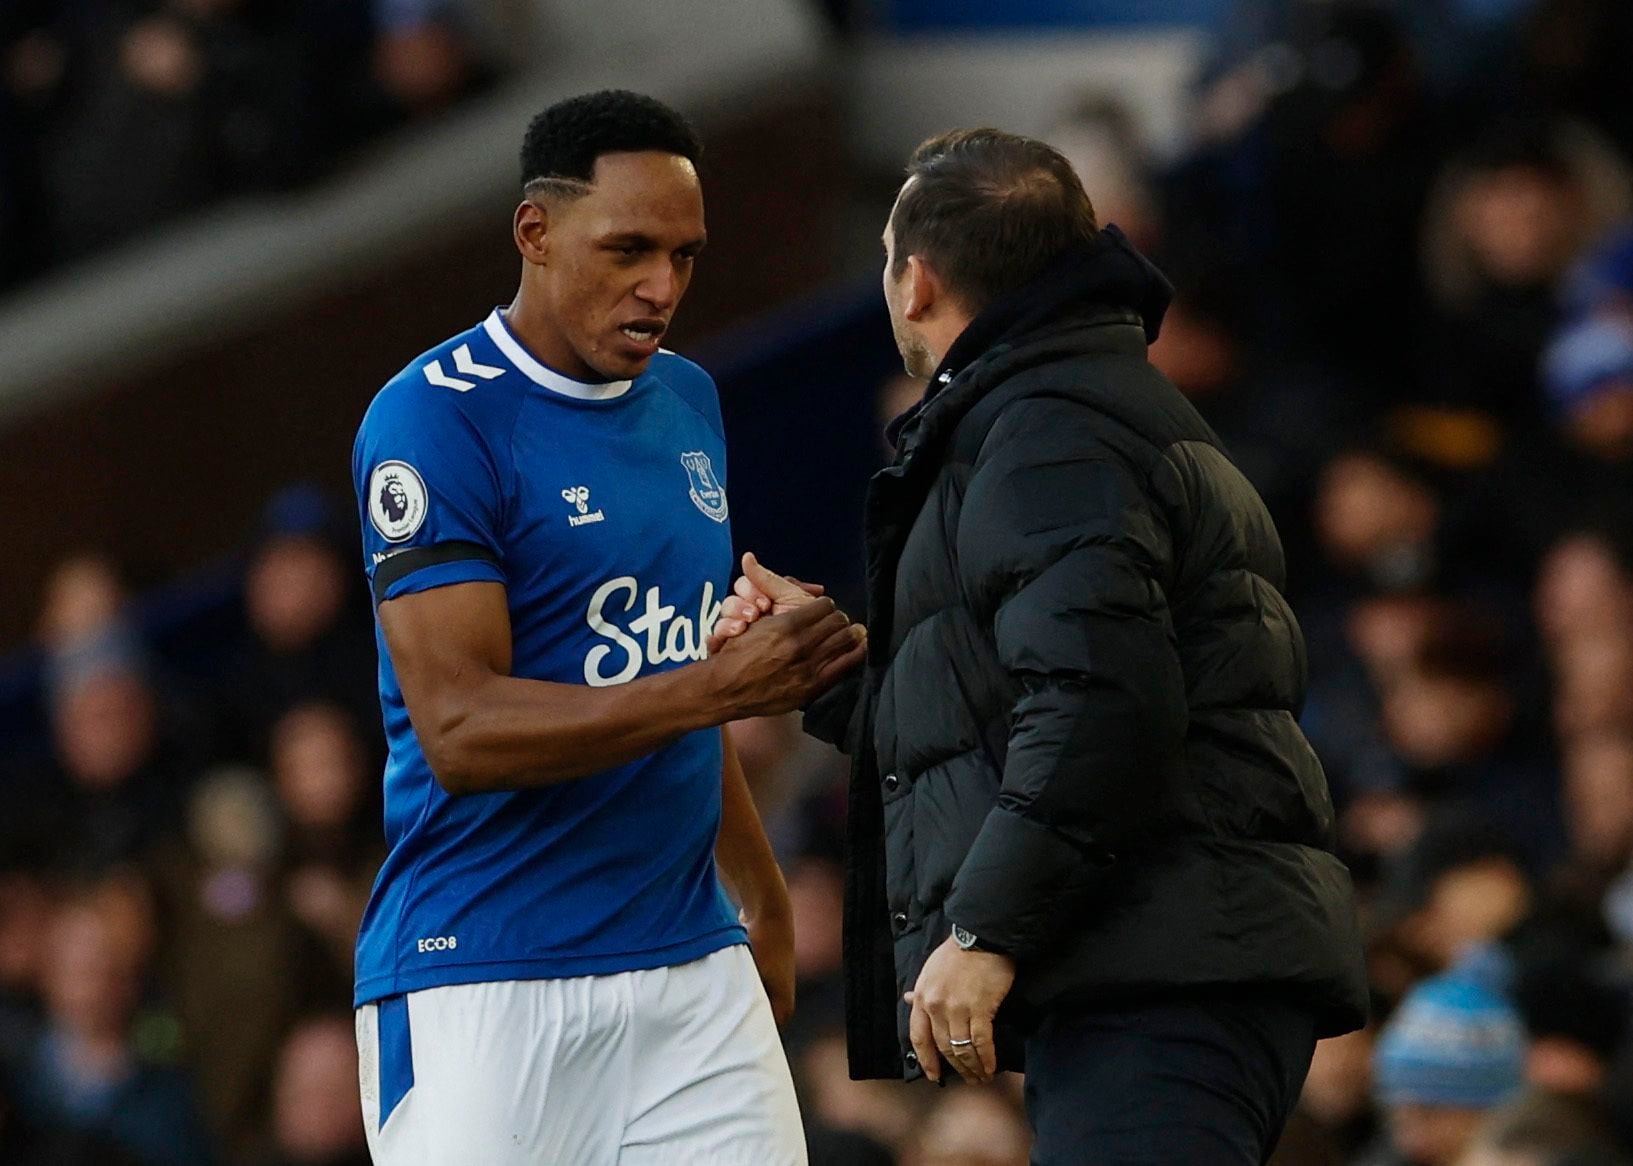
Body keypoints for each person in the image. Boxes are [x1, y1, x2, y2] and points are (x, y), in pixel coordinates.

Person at [720, 127, 1367, 1162]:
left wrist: (984, 930)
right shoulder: (1051, 416)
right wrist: (826, 662)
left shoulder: (1047, 434)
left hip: (1170, 972)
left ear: (916, 280)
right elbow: (1010, 705)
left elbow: (1105, 702)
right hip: (1159, 962)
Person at [348, 89, 864, 1165]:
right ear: (534, 233)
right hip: (481, 972)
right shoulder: (432, 418)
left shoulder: (687, 401)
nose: (661, 286)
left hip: (690, 963)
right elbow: (461, 728)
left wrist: (758, 890)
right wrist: (722, 689)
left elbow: (667, 674)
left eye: (684, 254)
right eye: (628, 248)